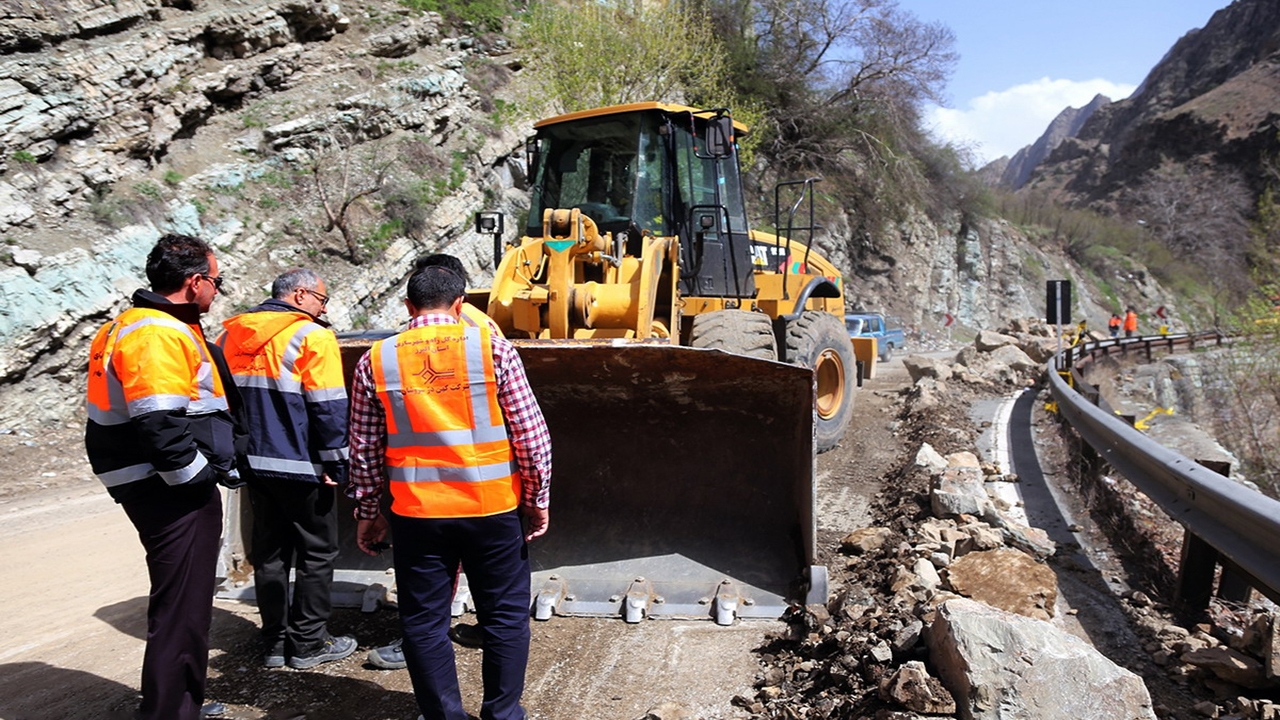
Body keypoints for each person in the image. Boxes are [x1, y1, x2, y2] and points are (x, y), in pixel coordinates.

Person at [348, 266, 552, 720]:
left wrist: (368, 509)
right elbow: (531, 437)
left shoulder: (376, 360)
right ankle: (502, 713)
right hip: (492, 509)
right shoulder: (492, 349)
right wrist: (537, 501)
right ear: (461, 305)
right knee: (504, 618)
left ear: (408, 308)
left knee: (423, 623)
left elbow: (363, 447)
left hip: (417, 515)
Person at [85, 233, 243, 720]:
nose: (217, 291)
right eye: (216, 282)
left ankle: (178, 699)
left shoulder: (134, 325)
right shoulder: (155, 332)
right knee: (182, 605)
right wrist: (197, 481)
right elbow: (159, 423)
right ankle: (172, 710)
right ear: (194, 283)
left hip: (150, 480)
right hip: (167, 487)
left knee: (182, 598)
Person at [366, 253, 501, 671]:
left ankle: (426, 637)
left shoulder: (459, 335)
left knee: (441, 579)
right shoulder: (484, 329)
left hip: (433, 493)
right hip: (482, 490)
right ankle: (487, 634)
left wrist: (369, 503)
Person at [216, 268, 356, 670]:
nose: (322, 308)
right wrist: (337, 462)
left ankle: (276, 641)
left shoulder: (232, 333)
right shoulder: (312, 335)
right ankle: (309, 643)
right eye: (321, 300)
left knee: (271, 551)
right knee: (317, 551)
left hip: (253, 464)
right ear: (299, 295)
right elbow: (328, 405)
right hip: (302, 464)